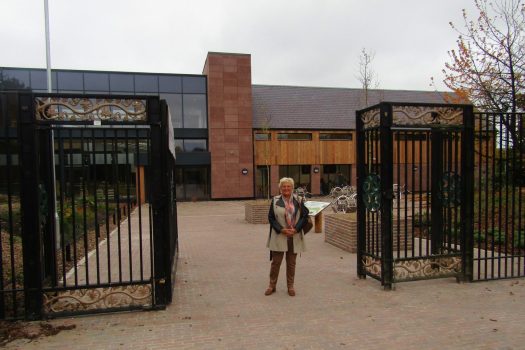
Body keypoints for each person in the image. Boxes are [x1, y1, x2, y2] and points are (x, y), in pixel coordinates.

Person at [265, 177, 309, 296]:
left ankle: (290, 286)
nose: (286, 188)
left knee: (291, 263)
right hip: (279, 235)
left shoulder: (299, 200)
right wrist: (281, 229)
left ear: (292, 188)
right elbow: (271, 218)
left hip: (294, 236)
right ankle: (272, 285)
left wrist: (296, 229)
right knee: (276, 263)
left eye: (288, 186)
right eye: (283, 186)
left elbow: (305, 216)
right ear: (280, 188)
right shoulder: (275, 200)